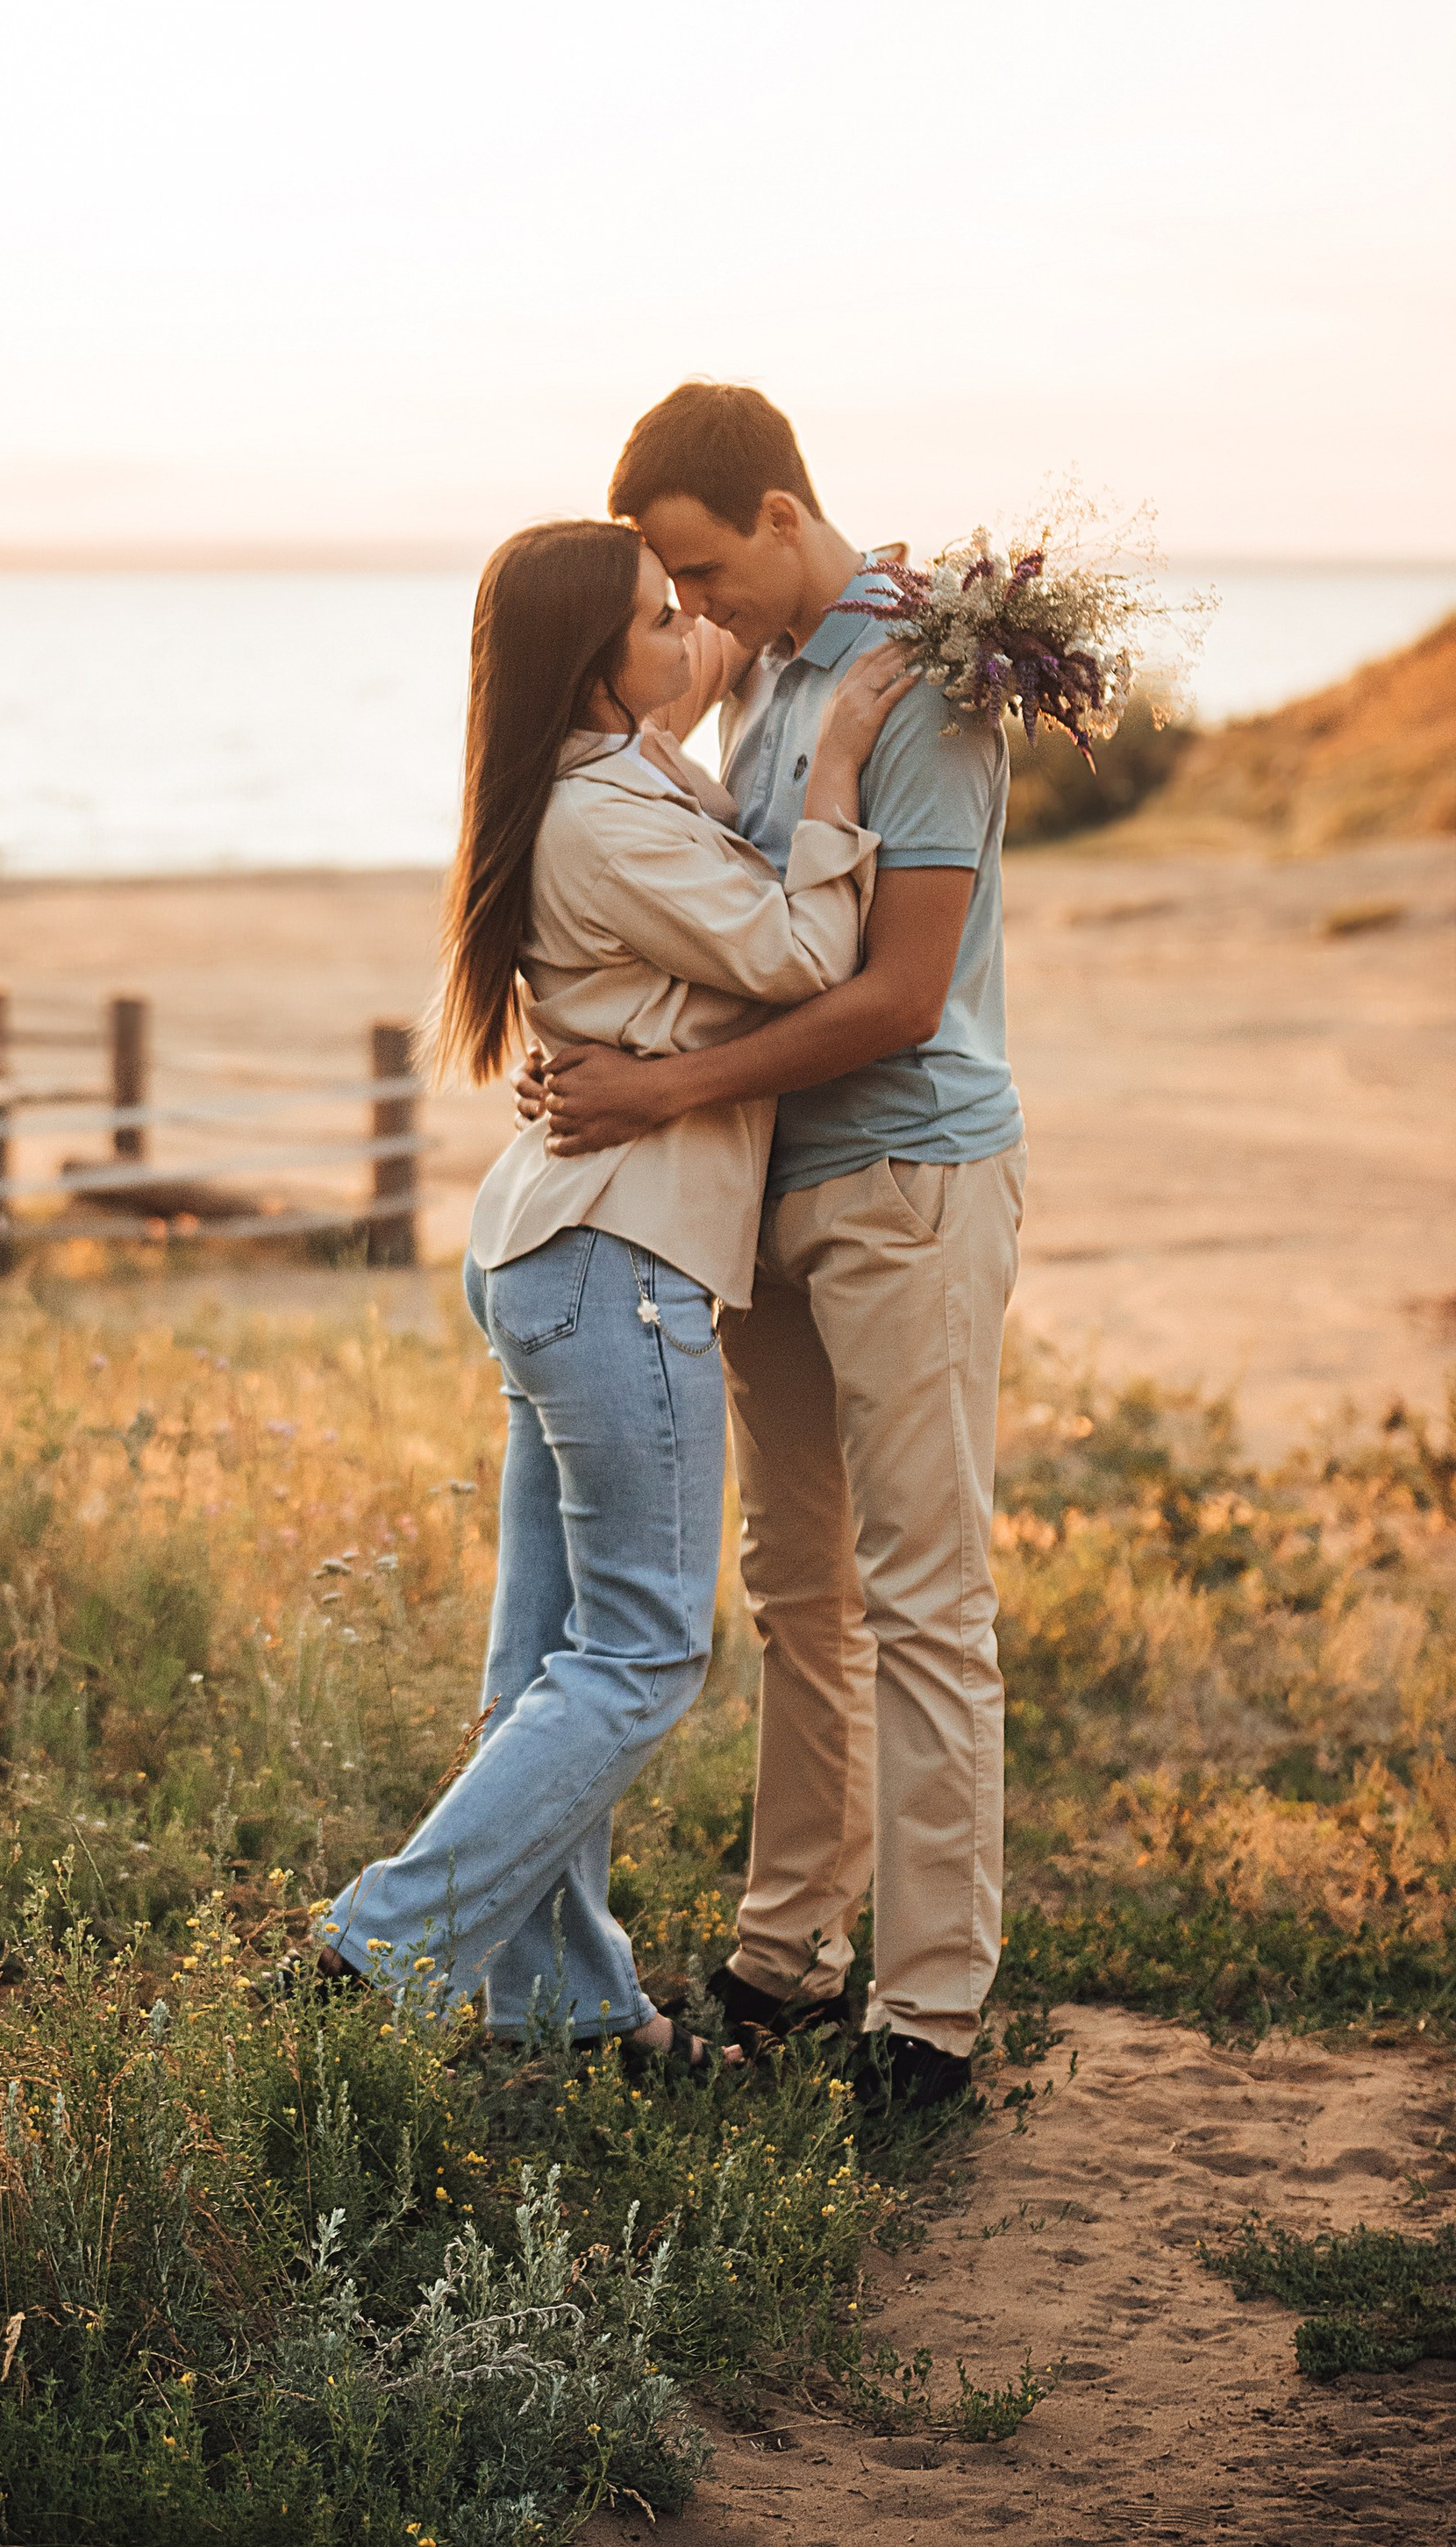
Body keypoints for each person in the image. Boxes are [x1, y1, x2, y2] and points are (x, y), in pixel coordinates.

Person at [309, 514, 911, 2068]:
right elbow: (801, 951)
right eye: (662, 615)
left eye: (692, 602)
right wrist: (840, 751)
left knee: (545, 1664)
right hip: (616, 1264)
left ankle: (564, 2011)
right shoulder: (610, 820)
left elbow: (708, 647)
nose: (694, 630)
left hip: (560, 1254)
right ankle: (381, 1941)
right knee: (644, 1657)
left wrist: (829, 584)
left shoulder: (614, 765)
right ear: (598, 669)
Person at [524, 382, 1026, 2114]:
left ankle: (931, 2007)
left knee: (921, 1599)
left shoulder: (925, 676)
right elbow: (740, 918)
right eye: (664, 590)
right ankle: (784, 1954)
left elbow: (890, 993)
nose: (688, 609)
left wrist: (657, 1089)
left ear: (775, 510)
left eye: (694, 569)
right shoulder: (764, 681)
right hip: (769, 1203)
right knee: (793, 1596)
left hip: (905, 1184)